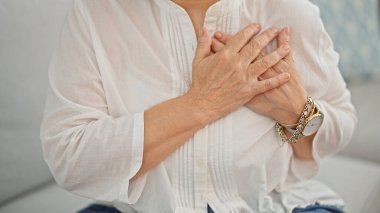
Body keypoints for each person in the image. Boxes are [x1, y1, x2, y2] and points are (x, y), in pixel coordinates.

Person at [40, 0, 357, 212]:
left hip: (274, 206)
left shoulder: (287, 8)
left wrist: (296, 110)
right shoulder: (96, 14)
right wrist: (203, 102)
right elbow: (69, 156)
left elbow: (342, 121)